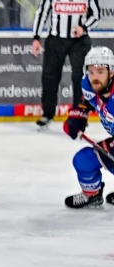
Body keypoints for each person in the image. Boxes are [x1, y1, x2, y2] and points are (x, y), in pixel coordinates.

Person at [30, 0, 100, 128]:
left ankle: (79, 114)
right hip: (56, 39)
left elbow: (96, 14)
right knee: (50, 76)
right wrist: (36, 38)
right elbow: (42, 13)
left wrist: (83, 27)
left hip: (80, 41)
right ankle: (48, 113)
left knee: (81, 77)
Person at [61, 47, 114, 208]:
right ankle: (92, 195)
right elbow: (87, 100)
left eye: (100, 71)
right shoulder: (88, 84)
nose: (94, 77)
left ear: (111, 73)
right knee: (84, 160)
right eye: (91, 72)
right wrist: (79, 115)